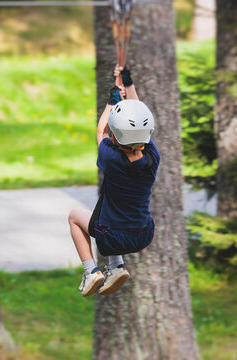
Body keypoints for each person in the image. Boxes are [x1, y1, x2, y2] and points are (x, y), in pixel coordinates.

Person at [68, 65, 161, 297]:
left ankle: (91, 272)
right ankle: (116, 266)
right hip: (143, 234)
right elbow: (138, 120)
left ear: (118, 137)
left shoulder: (111, 157)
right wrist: (129, 84)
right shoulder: (153, 158)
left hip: (112, 236)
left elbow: (102, 133)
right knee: (108, 212)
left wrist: (112, 101)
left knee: (74, 217)